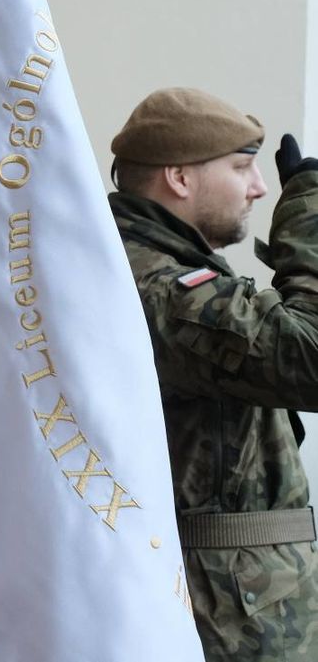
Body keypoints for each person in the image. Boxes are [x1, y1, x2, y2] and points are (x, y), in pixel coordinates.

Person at [108, 86, 318, 661]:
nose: (259, 186)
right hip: (228, 615)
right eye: (242, 167)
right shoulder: (162, 288)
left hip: (242, 602)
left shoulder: (167, 270)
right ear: (179, 178)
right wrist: (309, 220)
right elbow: (310, 357)